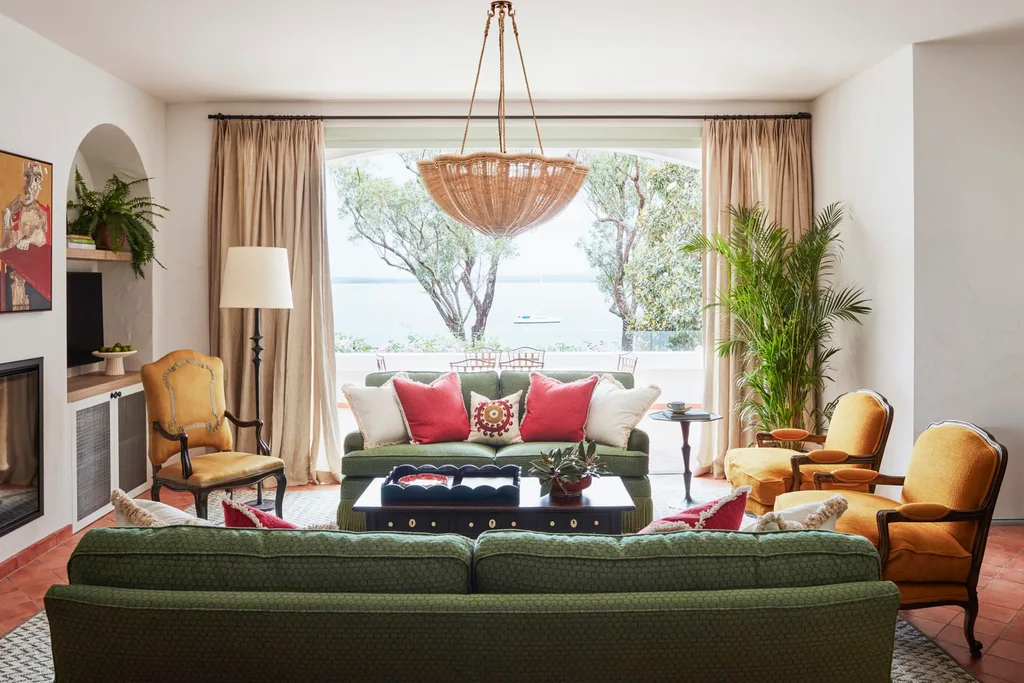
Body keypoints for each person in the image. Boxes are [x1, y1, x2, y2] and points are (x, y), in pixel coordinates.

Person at [1, 160, 50, 310]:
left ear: (40, 185)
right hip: (14, 272)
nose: (29, 185)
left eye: (35, 179)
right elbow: (6, 244)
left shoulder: (41, 212)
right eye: (27, 176)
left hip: (33, 275)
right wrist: (7, 224)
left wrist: (28, 240)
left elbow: (41, 238)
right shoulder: (13, 208)